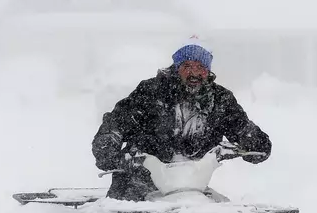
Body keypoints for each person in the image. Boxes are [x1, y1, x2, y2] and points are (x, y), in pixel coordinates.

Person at [92, 37, 271, 201]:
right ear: (177, 68)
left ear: (208, 70)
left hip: (191, 187)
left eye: (200, 67)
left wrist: (253, 142)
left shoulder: (220, 100)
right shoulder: (151, 92)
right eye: (187, 66)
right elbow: (117, 122)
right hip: (138, 187)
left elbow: (240, 126)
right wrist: (109, 146)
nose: (194, 73)